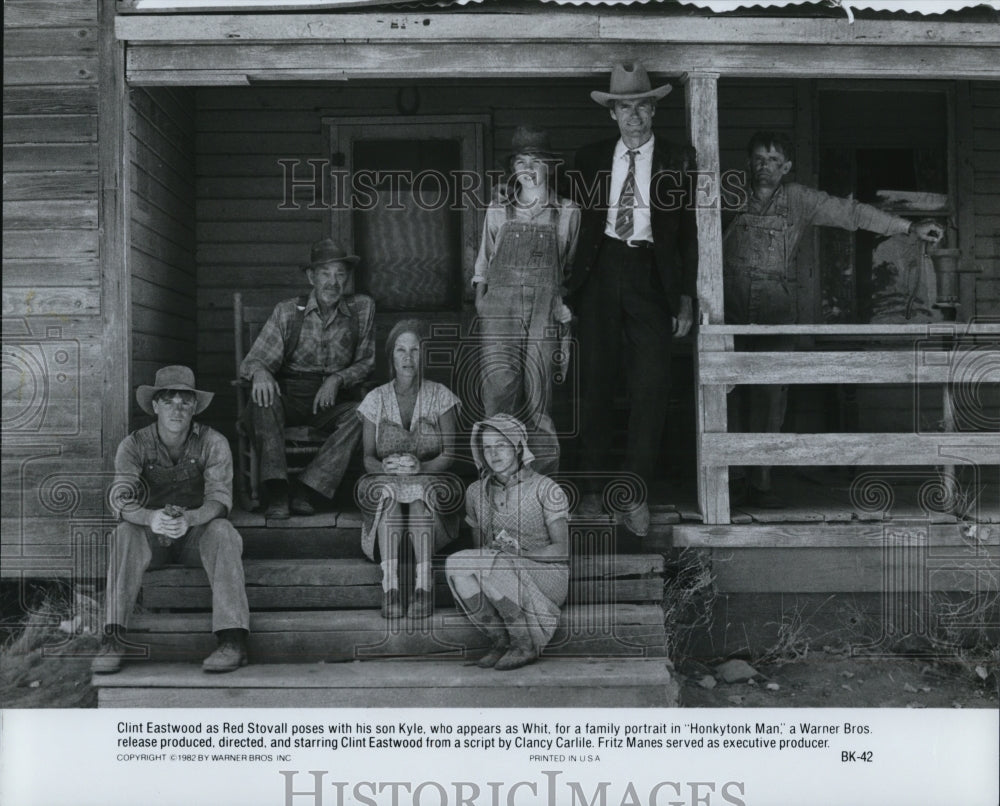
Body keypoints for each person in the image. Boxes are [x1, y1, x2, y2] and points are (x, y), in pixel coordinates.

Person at [723, 131, 943, 508]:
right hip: (725, 301)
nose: (766, 167)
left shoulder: (799, 199)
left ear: (787, 167)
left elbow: (852, 213)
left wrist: (908, 228)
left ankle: (760, 480)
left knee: (769, 394)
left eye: (775, 161)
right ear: (747, 163)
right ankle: (728, 479)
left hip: (774, 304)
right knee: (724, 391)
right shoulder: (727, 198)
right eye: (759, 159)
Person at [568, 62, 698, 536]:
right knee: (595, 384)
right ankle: (590, 490)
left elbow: (688, 235)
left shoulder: (679, 159)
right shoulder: (588, 159)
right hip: (599, 275)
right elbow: (563, 219)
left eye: (643, 106)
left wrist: (685, 297)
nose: (635, 116)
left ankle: (634, 493)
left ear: (654, 110)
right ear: (613, 114)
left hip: (651, 276)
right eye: (626, 107)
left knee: (651, 387)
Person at [92, 365, 250, 674]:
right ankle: (113, 637)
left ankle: (233, 640)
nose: (177, 409)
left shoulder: (213, 442)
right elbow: (119, 500)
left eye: (184, 402)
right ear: (155, 406)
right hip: (152, 539)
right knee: (124, 532)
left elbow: (219, 499)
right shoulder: (134, 445)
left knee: (224, 531)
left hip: (195, 536)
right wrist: (150, 517)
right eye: (168, 401)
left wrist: (191, 518)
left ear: (194, 407)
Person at [240, 238, 375, 518]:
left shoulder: (360, 310)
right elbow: (253, 360)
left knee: (366, 412)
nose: (333, 282)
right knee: (262, 401)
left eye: (339, 274)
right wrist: (261, 372)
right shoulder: (288, 311)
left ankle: (307, 489)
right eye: (325, 274)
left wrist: (337, 378)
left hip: (332, 403)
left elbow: (366, 362)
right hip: (289, 398)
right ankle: (277, 491)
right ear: (311, 277)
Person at [473, 125, 580, 475]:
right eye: (521, 161)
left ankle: (541, 484)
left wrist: (563, 308)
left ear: (550, 166)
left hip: (544, 312)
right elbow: (483, 265)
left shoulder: (566, 212)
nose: (528, 168)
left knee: (540, 399)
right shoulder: (498, 210)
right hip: (499, 312)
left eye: (537, 161)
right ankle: (496, 483)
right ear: (513, 168)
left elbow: (570, 270)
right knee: (498, 393)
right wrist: (483, 305)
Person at [445, 414, 570, 671]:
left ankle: (524, 643)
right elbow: (480, 551)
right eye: (487, 447)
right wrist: (499, 556)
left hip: (547, 576)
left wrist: (518, 554)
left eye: (500, 445)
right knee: (456, 564)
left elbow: (562, 551)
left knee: (490, 562)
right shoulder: (476, 492)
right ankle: (501, 641)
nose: (493, 453)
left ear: (517, 446)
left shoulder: (546, 488)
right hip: (501, 576)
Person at [355, 319, 462, 620]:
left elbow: (450, 454)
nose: (407, 358)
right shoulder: (375, 399)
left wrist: (422, 466)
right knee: (388, 496)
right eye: (401, 350)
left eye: (414, 350)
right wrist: (383, 467)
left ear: (423, 356)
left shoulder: (441, 395)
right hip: (385, 480)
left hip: (432, 479)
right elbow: (367, 458)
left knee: (417, 496)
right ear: (391, 356)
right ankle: (390, 587)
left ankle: (423, 587)